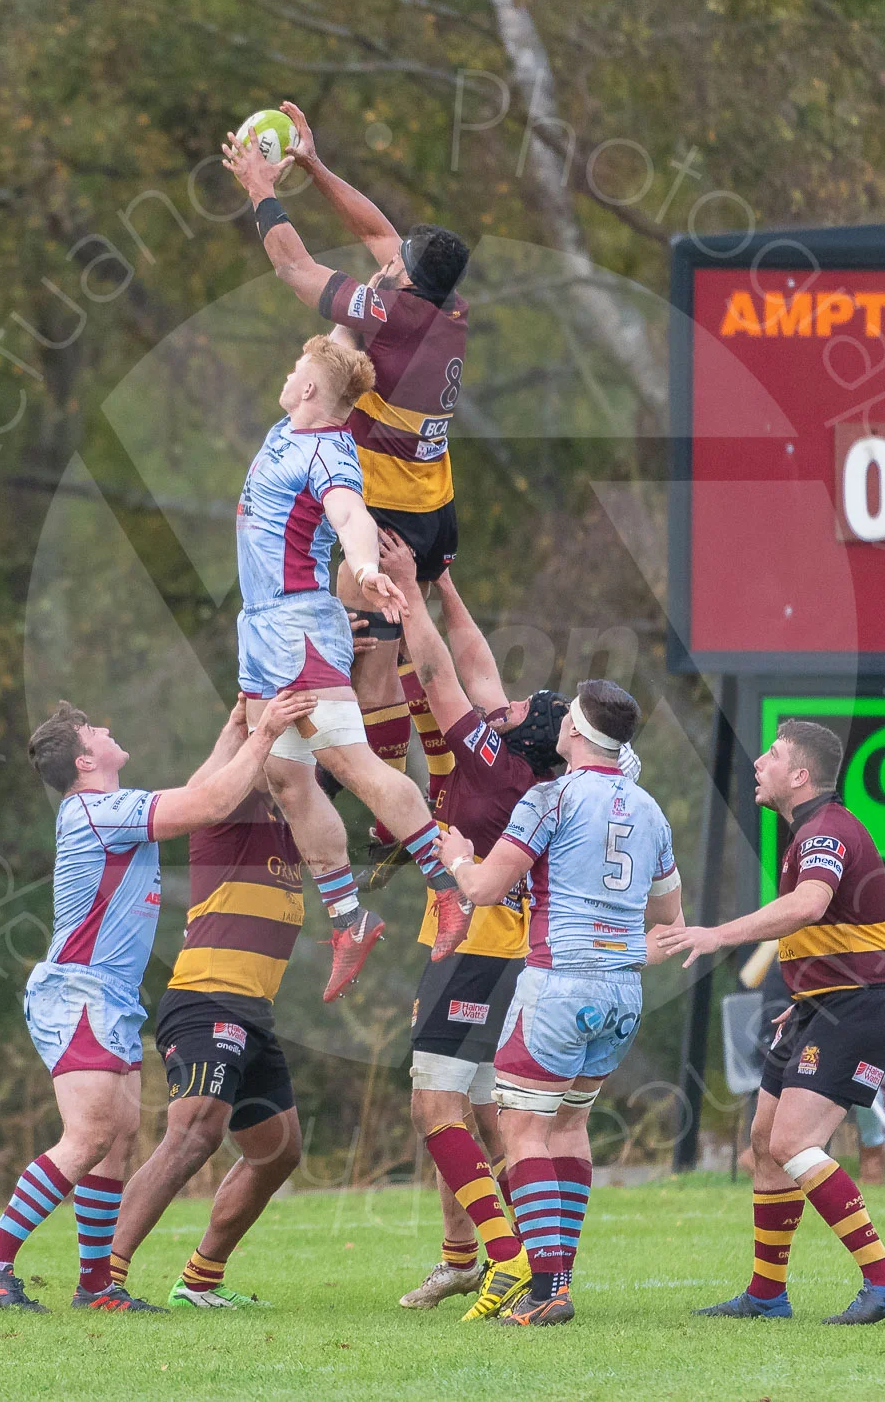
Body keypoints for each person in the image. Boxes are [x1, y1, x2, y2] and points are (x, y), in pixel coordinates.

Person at [0, 689, 315, 1314]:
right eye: (95, 728)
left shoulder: (109, 807)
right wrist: (265, 735)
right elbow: (208, 802)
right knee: (91, 1134)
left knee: (117, 1140)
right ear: (84, 762)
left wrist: (236, 728)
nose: (107, 726)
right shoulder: (98, 811)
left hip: (112, 997)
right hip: (82, 991)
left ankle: (97, 1287)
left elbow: (202, 797)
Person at [223, 112, 470, 874]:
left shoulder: (391, 316)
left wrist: (263, 188)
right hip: (434, 506)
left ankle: (394, 815)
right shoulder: (446, 306)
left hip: (390, 511)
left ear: (404, 282)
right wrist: (319, 167)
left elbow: (295, 268)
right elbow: (380, 235)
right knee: (400, 659)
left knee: (372, 665)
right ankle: (415, 793)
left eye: (394, 265)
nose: (383, 263)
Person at [437, 680, 685, 1327]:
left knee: (521, 1129)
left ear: (573, 729)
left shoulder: (551, 797)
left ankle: (547, 1288)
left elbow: (489, 889)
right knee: (569, 1127)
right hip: (623, 993)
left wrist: (459, 861)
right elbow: (668, 916)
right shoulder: (652, 810)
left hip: (557, 984)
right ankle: (558, 1278)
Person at [233, 332, 464, 1004]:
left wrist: (363, 566)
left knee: (351, 767)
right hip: (260, 628)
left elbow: (350, 515)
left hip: (298, 628)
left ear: (309, 388)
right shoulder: (296, 418)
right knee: (282, 774)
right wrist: (367, 295)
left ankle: (447, 889)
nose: (288, 371)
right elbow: (333, 339)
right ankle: (348, 917)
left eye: (294, 368)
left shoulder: (329, 453)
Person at [662, 719, 885, 1326]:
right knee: (764, 1145)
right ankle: (766, 1295)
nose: (759, 764)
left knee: (793, 1143)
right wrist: (802, 999)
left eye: (772, 756)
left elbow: (808, 906)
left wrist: (717, 934)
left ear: (800, 776)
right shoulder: (805, 828)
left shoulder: (824, 830)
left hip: (856, 1006)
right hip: (818, 1006)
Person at [375, 530, 569, 1314]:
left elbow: (441, 672)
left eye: (522, 706)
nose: (508, 698)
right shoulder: (525, 758)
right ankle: (483, 1256)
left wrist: (408, 592)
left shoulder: (491, 761)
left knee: (433, 1105)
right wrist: (446, 586)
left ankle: (506, 1254)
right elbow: (480, 665)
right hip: (496, 945)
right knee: (485, 1110)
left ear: (525, 732)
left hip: (477, 945)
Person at [108, 696, 306, 1309]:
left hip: (252, 1011)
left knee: (278, 1151)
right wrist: (247, 724)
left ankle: (200, 1280)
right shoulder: (228, 812)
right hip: (204, 999)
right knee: (194, 1134)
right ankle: (102, 1280)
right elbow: (208, 783)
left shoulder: (296, 823)